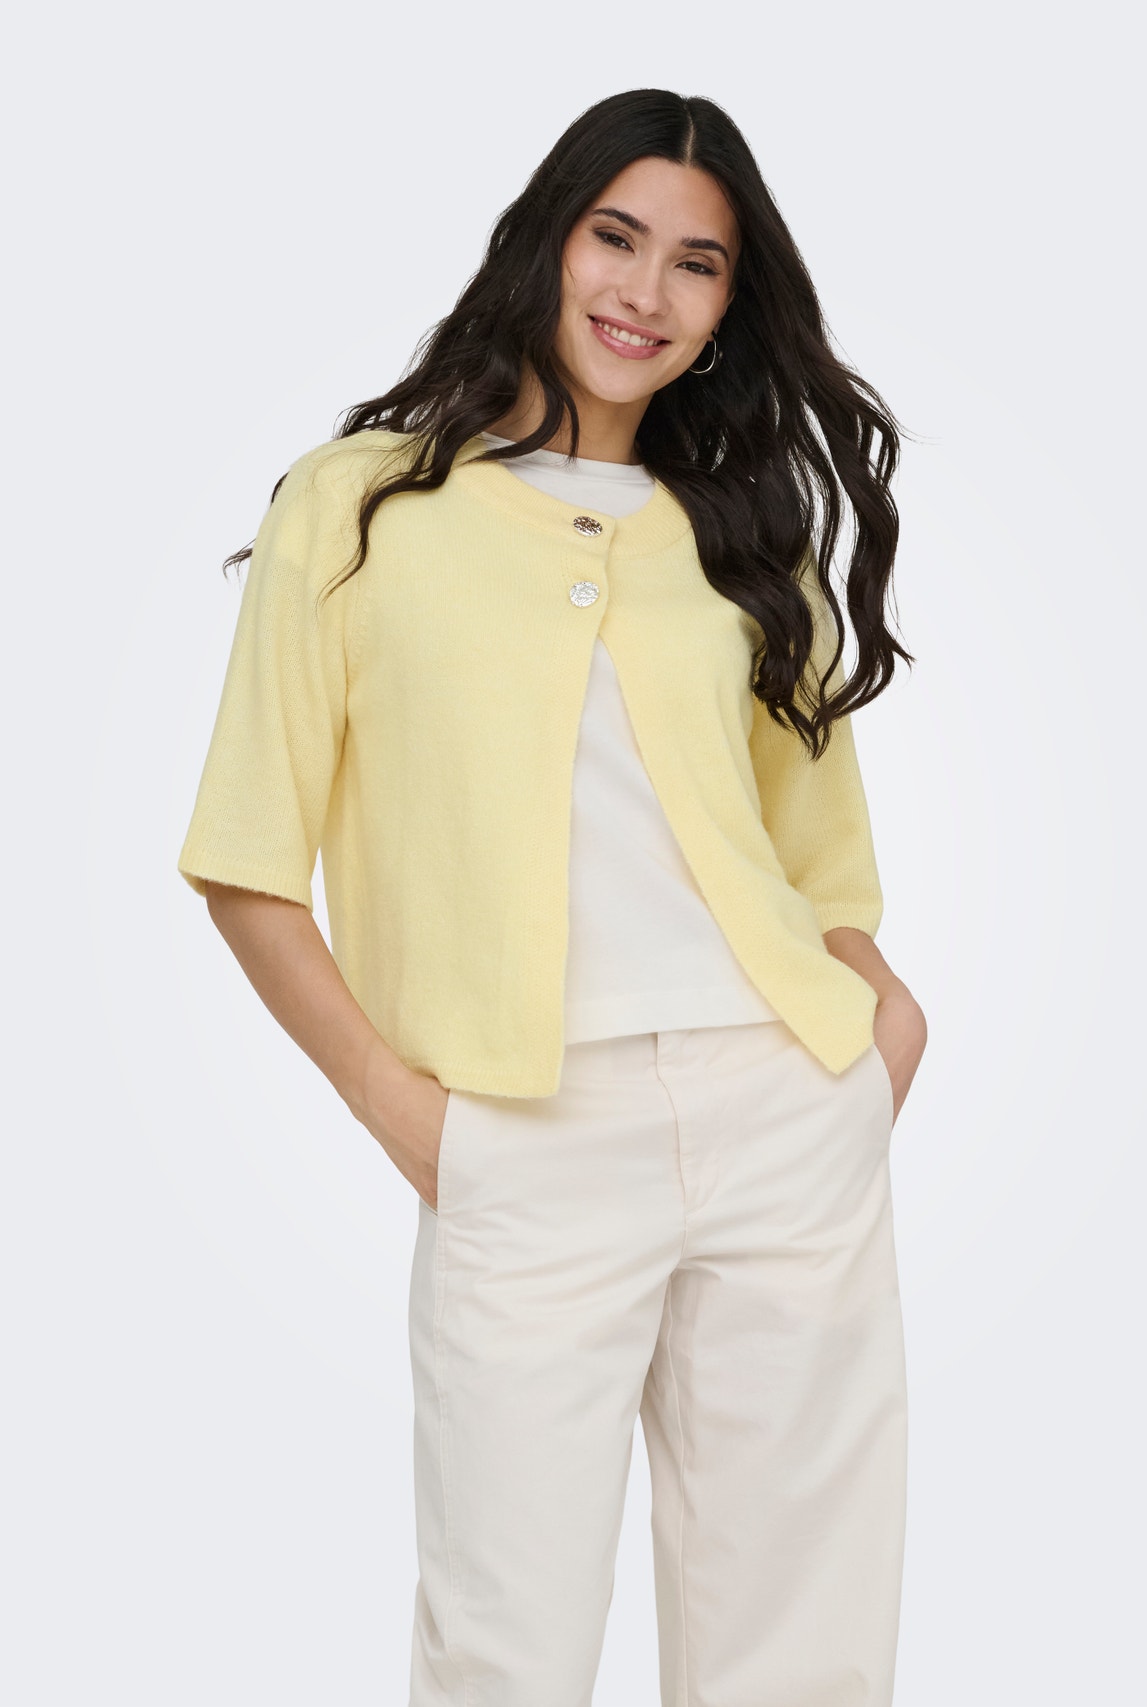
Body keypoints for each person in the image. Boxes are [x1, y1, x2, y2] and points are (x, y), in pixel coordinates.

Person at [177, 85, 928, 1707]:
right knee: (503, 1648)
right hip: (523, 1132)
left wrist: (874, 1039)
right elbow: (246, 861)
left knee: (804, 1646)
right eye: (615, 237)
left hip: (782, 1112)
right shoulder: (358, 504)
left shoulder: (747, 537)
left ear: (729, 306)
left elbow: (821, 856)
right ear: (547, 239)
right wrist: (410, 1117)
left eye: (697, 264)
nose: (645, 292)